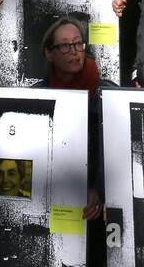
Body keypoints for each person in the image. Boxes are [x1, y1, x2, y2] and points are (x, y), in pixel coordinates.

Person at [34, 17, 115, 222]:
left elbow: (118, 153)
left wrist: (99, 190)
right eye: (64, 46)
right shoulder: (36, 97)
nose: (73, 51)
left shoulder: (109, 94)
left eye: (78, 43)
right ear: (48, 53)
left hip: (98, 214)